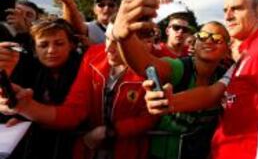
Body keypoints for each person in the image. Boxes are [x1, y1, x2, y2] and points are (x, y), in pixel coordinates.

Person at [140, 0, 258, 159]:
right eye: (225, 10)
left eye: (236, 8)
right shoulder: (248, 54)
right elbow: (213, 93)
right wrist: (170, 102)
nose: (228, 16)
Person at [0, 24, 158, 159]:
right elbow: (74, 112)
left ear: (144, 42)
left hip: (128, 151)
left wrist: (111, 131)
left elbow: (151, 117)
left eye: (119, 42)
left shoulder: (158, 65)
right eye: (108, 38)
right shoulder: (94, 55)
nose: (108, 48)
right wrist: (25, 108)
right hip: (85, 150)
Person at [112, 0, 231, 158]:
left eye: (218, 38)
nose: (209, 40)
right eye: (203, 35)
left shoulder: (229, 76)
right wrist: (123, 37)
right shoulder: (181, 68)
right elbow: (146, 65)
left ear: (227, 49)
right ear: (194, 43)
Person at [2, 18, 82, 159]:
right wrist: (17, 115)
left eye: (59, 43)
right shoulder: (25, 68)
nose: (51, 50)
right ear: (34, 49)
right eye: (43, 45)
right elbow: (6, 101)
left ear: (71, 45)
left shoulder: (85, 69)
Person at [47, 0, 118, 44]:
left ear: (117, 9)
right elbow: (75, 26)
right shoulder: (90, 27)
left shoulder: (124, 29)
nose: (107, 8)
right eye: (101, 5)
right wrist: (68, 2)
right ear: (94, 10)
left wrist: (95, 47)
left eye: (111, 5)